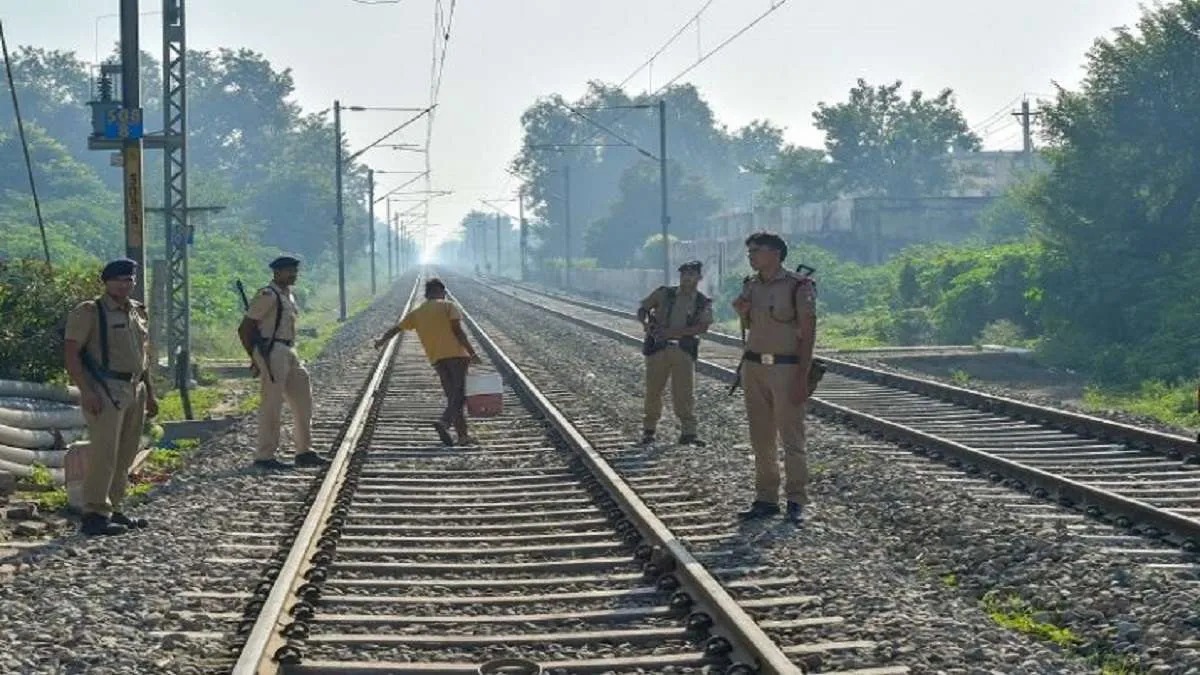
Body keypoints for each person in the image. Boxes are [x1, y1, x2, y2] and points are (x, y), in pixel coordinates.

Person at [63, 258, 158, 536]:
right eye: (118, 279)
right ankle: (94, 513)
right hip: (105, 387)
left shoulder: (137, 311)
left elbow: (144, 357)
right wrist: (87, 390)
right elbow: (71, 353)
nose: (124, 284)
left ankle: (113, 507)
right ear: (106, 282)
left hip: (134, 387)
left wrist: (150, 393)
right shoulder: (90, 311)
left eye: (129, 279)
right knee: (104, 451)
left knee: (126, 451)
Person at [731, 232, 817, 523]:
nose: (751, 255)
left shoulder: (798, 286)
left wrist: (802, 376)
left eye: (757, 250)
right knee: (761, 438)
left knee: (791, 438)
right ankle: (766, 498)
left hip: (786, 368)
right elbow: (751, 324)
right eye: (749, 251)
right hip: (754, 367)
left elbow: (808, 332)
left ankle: (796, 500)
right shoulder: (750, 286)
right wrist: (741, 311)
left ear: (776, 253)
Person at [237, 256, 330, 470]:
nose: (293, 275)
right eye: (289, 271)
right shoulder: (267, 295)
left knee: (303, 400)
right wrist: (255, 357)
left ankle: (304, 451)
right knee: (272, 404)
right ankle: (265, 455)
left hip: (289, 349)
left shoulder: (288, 295)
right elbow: (245, 328)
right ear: (276, 273)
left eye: (295, 271)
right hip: (273, 351)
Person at [374, 278, 482, 446]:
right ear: (441, 291)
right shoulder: (448, 306)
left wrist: (381, 340)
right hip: (457, 357)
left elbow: (397, 329)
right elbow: (458, 331)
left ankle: (462, 436)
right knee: (459, 394)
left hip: (437, 359)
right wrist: (472, 352)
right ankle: (445, 422)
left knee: (453, 396)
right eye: (444, 292)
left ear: (427, 294)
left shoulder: (417, 313)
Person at [637, 260, 713, 446]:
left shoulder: (702, 302)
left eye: (691, 274)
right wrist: (647, 324)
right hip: (658, 349)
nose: (686, 277)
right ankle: (649, 429)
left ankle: (688, 432)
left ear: (699, 277)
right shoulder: (664, 293)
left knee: (684, 393)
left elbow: (703, 327)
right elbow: (643, 308)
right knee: (653, 391)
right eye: (684, 273)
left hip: (683, 350)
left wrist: (676, 333)